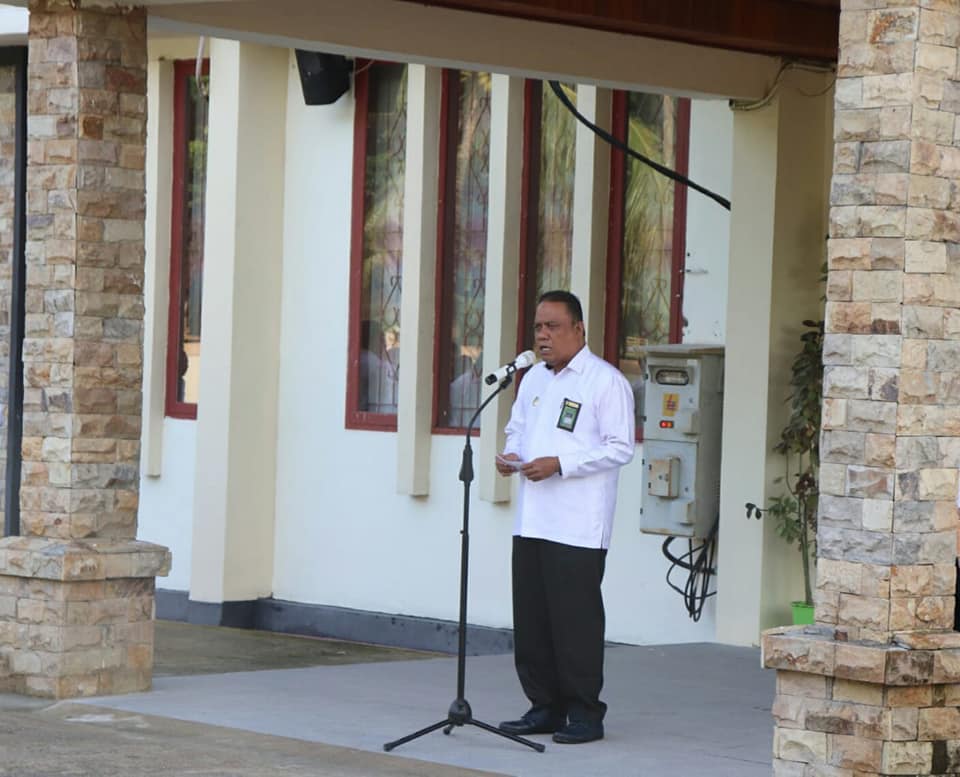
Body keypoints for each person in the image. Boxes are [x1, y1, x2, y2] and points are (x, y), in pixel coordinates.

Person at [496, 289, 635, 745]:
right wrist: (512, 452)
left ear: (578, 329)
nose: (543, 335)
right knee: (532, 621)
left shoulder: (604, 381)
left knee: (574, 623)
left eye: (553, 326)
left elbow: (619, 447)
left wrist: (561, 464)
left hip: (578, 524)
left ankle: (584, 714)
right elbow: (517, 425)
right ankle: (544, 707)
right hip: (533, 520)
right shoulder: (534, 379)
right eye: (538, 326)